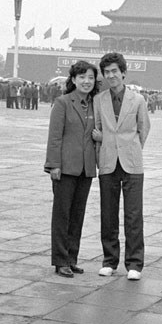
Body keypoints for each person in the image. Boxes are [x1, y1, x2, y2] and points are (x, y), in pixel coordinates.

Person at [93, 52, 150, 280]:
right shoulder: (99, 100)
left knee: (134, 214)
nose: (111, 76)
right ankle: (109, 260)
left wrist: (130, 146)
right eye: (107, 73)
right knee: (108, 213)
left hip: (131, 163)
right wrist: (105, 142)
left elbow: (143, 129)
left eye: (115, 71)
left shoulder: (138, 100)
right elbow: (97, 129)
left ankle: (135, 263)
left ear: (123, 73)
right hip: (108, 161)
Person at [45, 61, 98, 278]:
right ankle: (60, 260)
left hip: (86, 168)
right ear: (73, 79)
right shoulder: (63, 103)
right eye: (82, 77)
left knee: (78, 215)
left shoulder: (95, 104)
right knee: (62, 215)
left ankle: (72, 258)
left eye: (91, 78)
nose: (87, 81)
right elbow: (55, 136)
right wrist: (53, 165)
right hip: (65, 168)